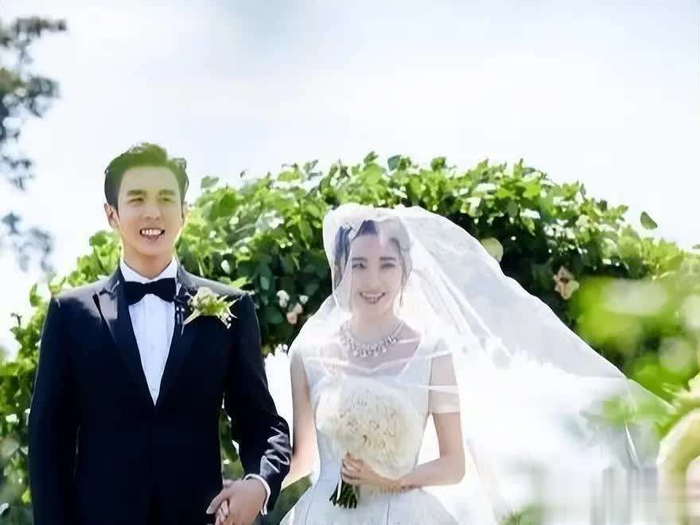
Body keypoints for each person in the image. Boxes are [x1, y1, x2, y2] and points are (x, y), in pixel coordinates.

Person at [269, 203, 666, 524]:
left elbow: (453, 464)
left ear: (405, 270)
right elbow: (304, 458)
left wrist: (391, 480)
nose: (373, 280)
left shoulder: (431, 352)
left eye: (386, 264)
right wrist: (255, 487)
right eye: (359, 265)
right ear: (341, 270)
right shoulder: (309, 354)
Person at [28, 143, 291, 525]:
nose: (152, 212)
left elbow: (262, 424)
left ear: (184, 212)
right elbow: (49, 445)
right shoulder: (70, 314)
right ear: (112, 214)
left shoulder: (231, 308)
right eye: (137, 199)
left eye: (166, 198)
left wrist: (259, 484)